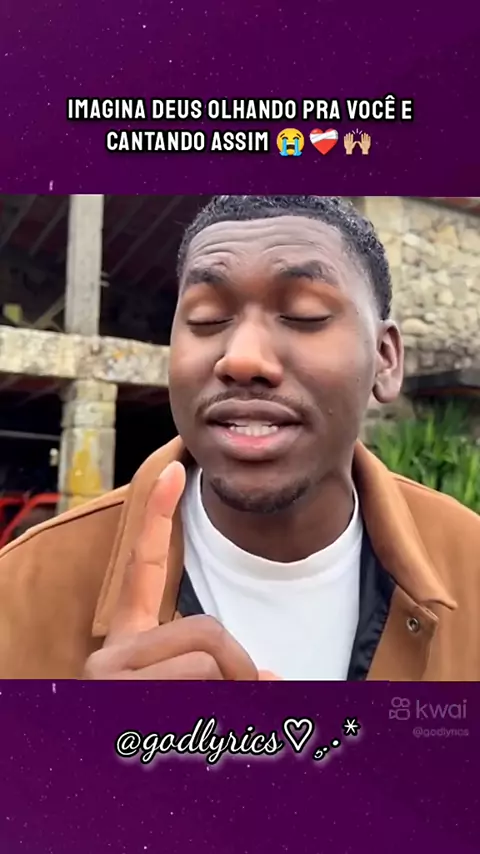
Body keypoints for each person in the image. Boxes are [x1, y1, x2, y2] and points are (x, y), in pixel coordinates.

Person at [1, 195, 479, 681]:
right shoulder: (20, 591)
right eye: (207, 318)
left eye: (305, 314)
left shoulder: (471, 565)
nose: (243, 358)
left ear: (385, 358)